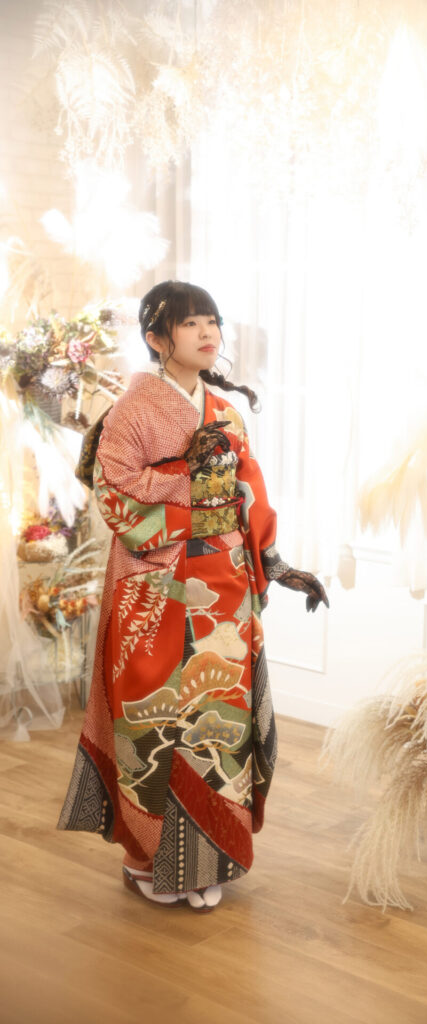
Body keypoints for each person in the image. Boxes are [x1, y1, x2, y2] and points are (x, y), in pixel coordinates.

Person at [58, 280, 328, 912]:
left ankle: (208, 860)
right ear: (157, 339)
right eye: (191, 323)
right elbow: (115, 496)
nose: (208, 333)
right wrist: (192, 483)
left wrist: (275, 562)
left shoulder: (226, 412)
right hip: (154, 586)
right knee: (153, 723)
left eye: (213, 321)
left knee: (217, 727)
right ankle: (147, 859)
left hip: (224, 589)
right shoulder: (131, 412)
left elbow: (249, 494)